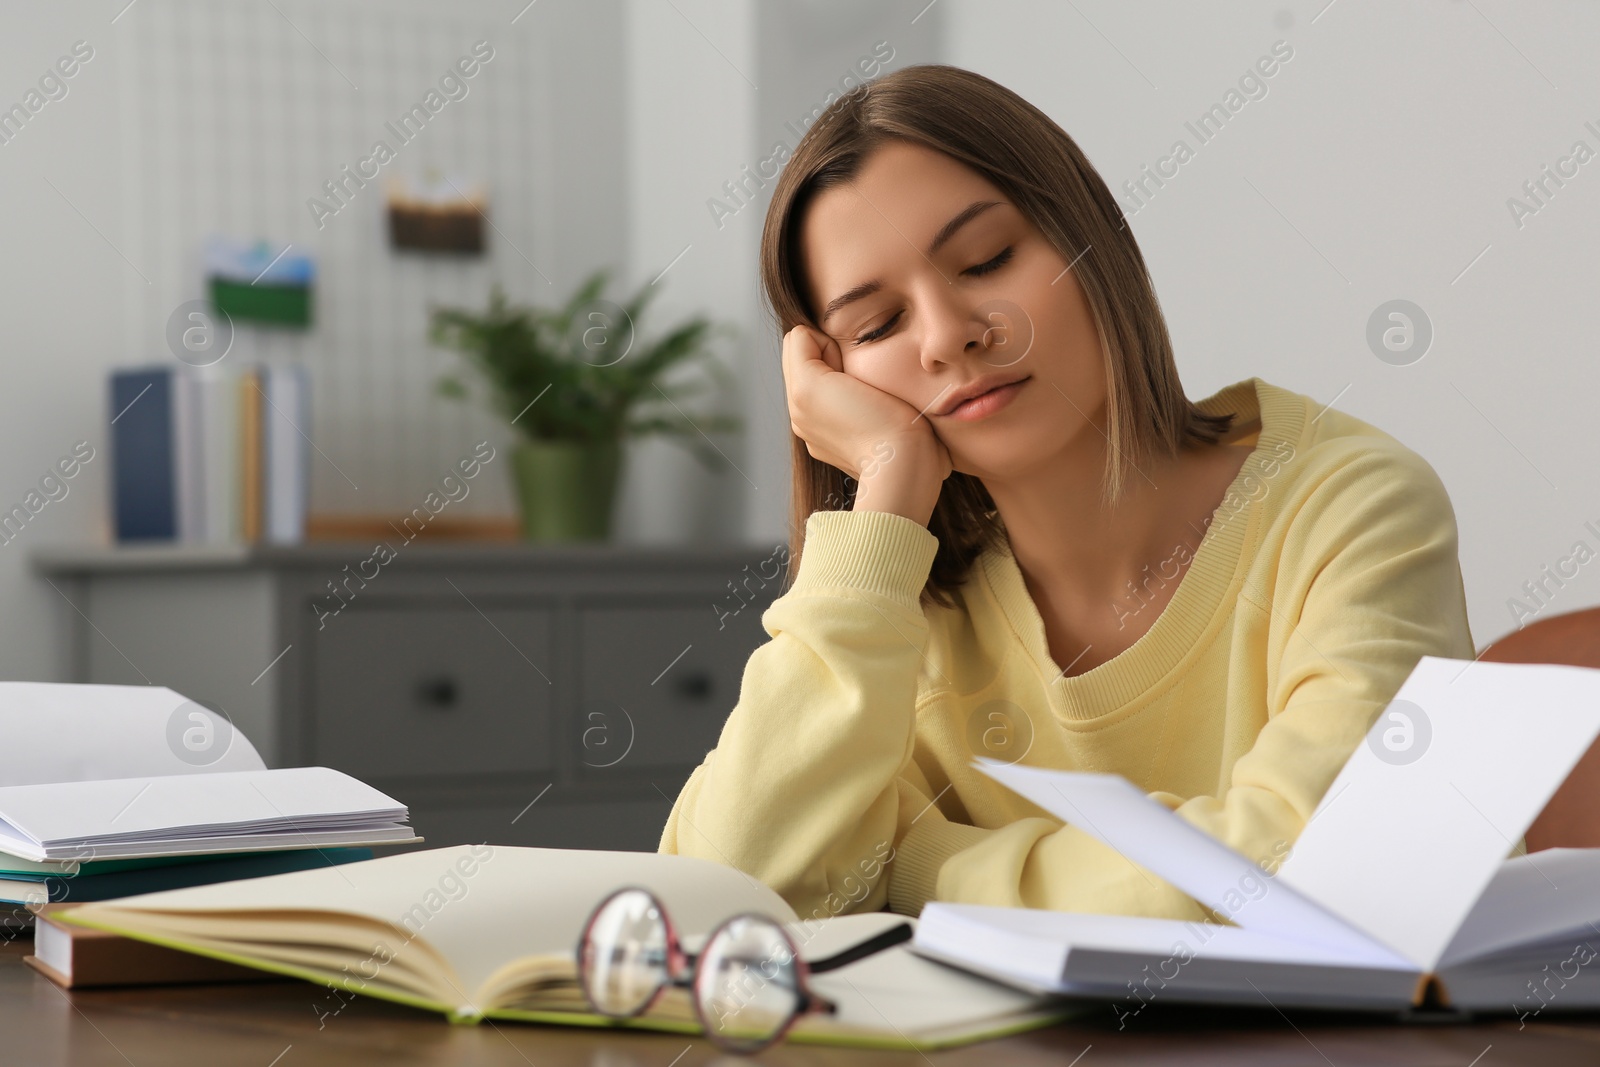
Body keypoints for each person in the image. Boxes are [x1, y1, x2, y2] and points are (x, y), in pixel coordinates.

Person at [657, 64, 1476, 925]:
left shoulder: (1352, 507)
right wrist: (887, 493)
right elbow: (720, 897)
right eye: (878, 326)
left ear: (1092, 244)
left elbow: (1321, 870)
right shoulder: (896, 609)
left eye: (987, 260)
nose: (949, 336)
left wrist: (916, 866)